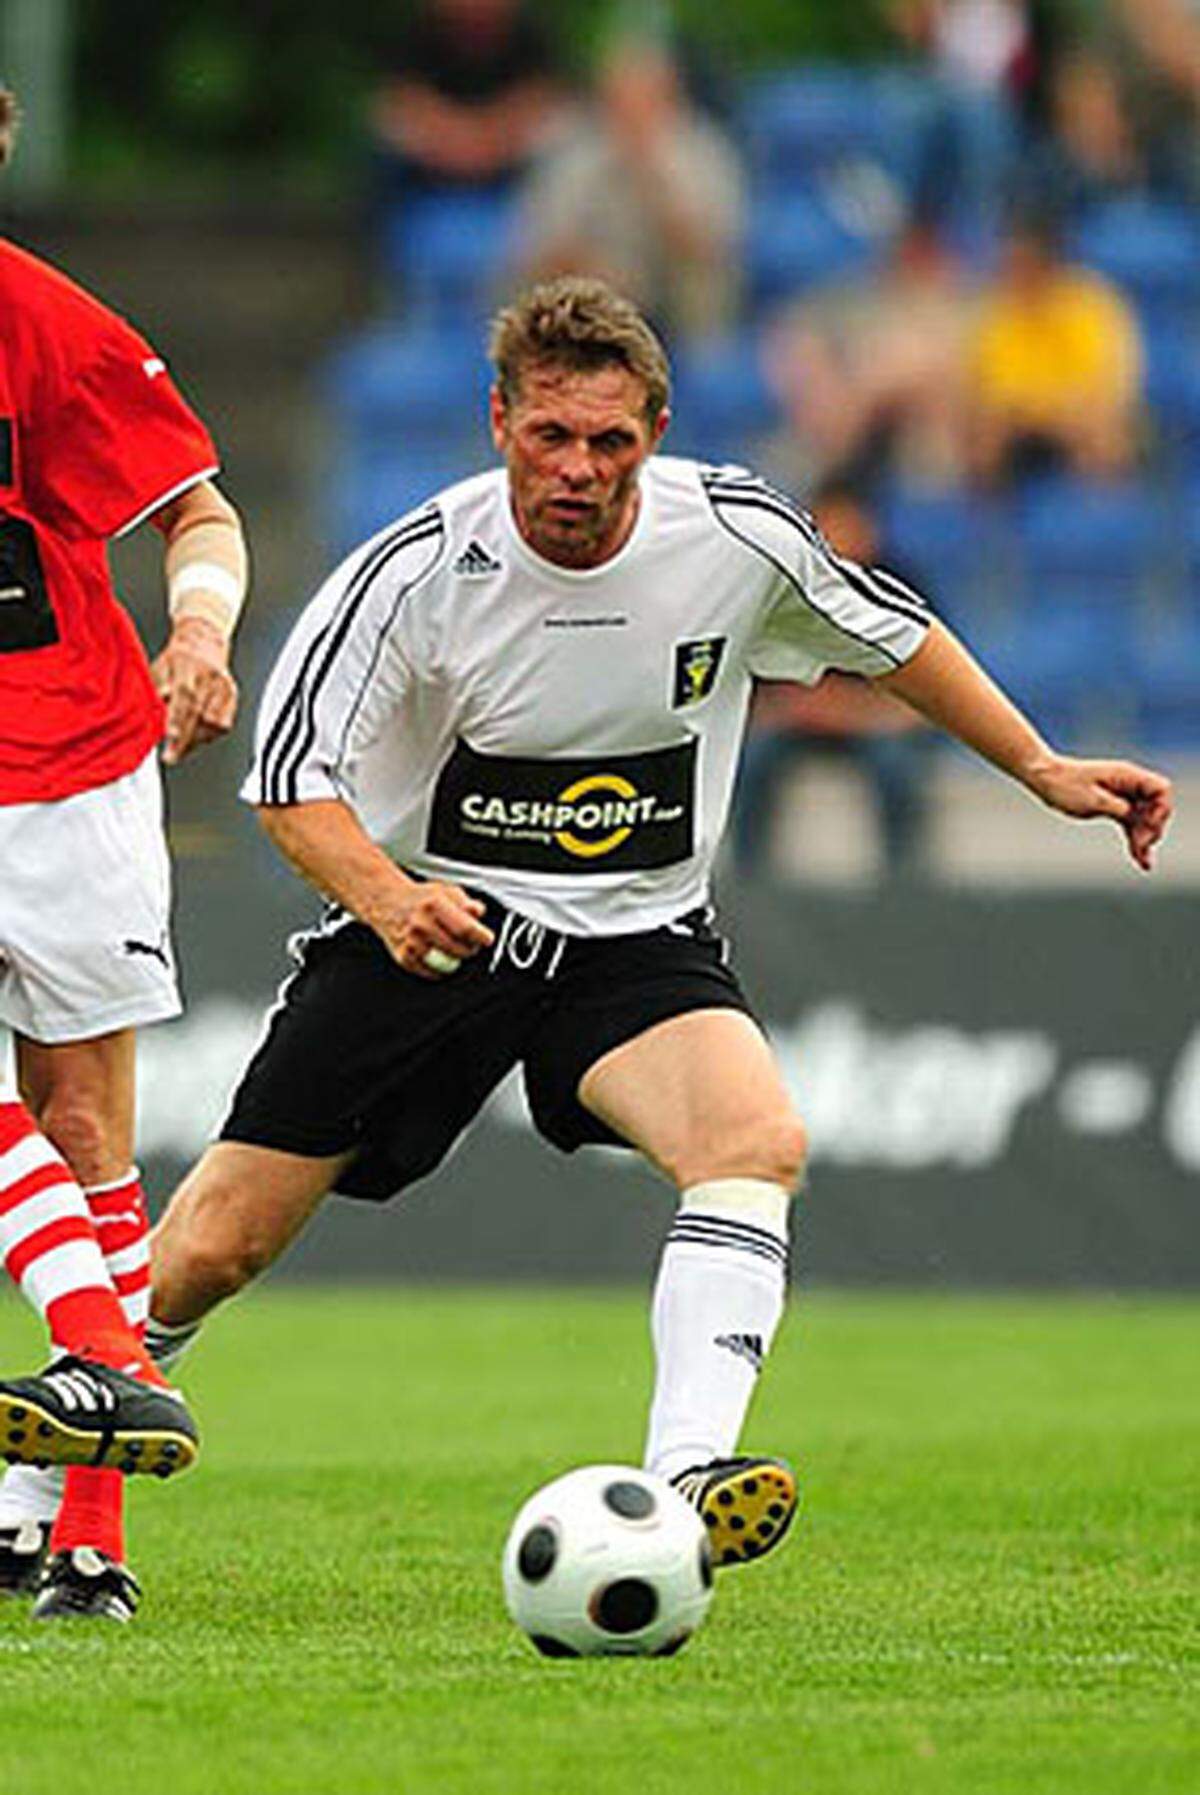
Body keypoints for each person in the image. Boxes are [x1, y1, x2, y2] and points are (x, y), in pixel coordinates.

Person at [145, 277, 1170, 1580]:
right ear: (499, 418)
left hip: (634, 938)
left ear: (660, 430)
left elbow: (891, 636)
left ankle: (687, 1467)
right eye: (552, 436)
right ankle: (35, 1464)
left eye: (613, 442)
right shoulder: (412, 571)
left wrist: (1039, 767)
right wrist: (392, 900)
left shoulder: (734, 533)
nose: (579, 470)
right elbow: (291, 783)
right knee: (218, 1241)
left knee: (753, 1139)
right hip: (432, 927)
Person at [0, 86, 248, 1623]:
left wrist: (202, 631)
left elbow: (196, 511)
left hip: (77, 763)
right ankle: (107, 1358)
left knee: (85, 1118)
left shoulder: (53, 327)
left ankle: (75, 1534)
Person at [731, 480, 935, 880]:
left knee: (895, 768)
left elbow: (932, 700)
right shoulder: (779, 587)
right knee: (753, 762)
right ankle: (747, 883)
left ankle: (905, 887)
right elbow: (742, 687)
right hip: (794, 725)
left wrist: (855, 712)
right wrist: (790, 708)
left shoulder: (904, 590)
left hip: (874, 727)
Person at [510, 28, 744, 344]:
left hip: (681, 318)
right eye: (618, 99)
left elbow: (710, 252)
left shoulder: (702, 154)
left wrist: (648, 176)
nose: (629, 111)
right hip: (587, 314)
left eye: (643, 98)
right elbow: (538, 251)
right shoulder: (572, 155)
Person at [965, 205, 1144, 487]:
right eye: (1011, 263)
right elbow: (988, 385)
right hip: (1019, 418)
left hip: (1076, 414)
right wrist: (1027, 411)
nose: (1015, 272)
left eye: (1024, 262)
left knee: (1104, 433)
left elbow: (1109, 386)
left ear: (1047, 263)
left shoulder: (1090, 303)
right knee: (983, 435)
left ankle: (1099, 520)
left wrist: (1056, 411)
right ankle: (989, 526)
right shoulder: (997, 308)